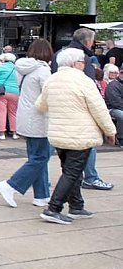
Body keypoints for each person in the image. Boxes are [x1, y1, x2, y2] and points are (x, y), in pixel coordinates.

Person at [35, 48, 117, 224]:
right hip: (80, 134)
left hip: (58, 132)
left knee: (70, 170)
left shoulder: (52, 79)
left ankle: (76, 206)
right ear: (75, 63)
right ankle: (53, 208)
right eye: (82, 61)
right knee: (72, 172)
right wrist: (110, 131)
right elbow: (99, 109)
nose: (84, 64)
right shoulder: (83, 81)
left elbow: (40, 105)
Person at [52, 28, 114, 190]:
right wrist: (109, 130)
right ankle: (90, 178)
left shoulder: (59, 54)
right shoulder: (82, 58)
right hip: (79, 111)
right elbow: (90, 91)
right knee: (87, 145)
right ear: (87, 41)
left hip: (60, 110)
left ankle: (74, 199)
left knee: (66, 156)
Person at [0, 39, 54, 208]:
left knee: (37, 157)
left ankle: (41, 195)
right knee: (40, 158)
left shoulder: (21, 68)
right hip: (39, 119)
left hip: (26, 116)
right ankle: (11, 185)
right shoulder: (43, 71)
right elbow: (48, 96)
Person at [0, 52, 20, 140]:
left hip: (1, 91)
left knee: (1, 113)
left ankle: (2, 133)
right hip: (15, 91)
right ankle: (14, 133)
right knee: (13, 113)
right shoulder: (17, 68)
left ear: (3, 60)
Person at [104, 64, 123, 146]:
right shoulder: (113, 85)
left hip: (119, 106)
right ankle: (121, 138)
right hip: (112, 109)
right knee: (122, 115)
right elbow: (115, 102)